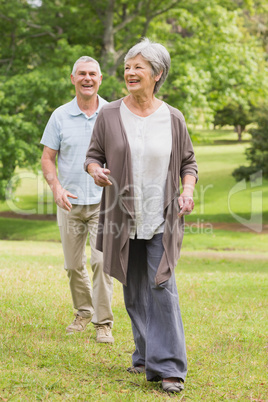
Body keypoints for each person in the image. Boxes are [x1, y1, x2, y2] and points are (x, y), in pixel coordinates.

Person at [84, 38, 198, 392]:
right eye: (128, 67)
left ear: (157, 73)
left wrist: (188, 191)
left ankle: (171, 369)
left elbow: (189, 163)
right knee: (134, 291)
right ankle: (145, 355)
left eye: (139, 67)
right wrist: (94, 171)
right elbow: (93, 155)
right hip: (123, 218)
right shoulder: (109, 114)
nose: (130, 73)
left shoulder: (173, 118)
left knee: (162, 286)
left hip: (161, 216)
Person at [40, 56, 114, 343]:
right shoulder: (60, 115)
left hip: (103, 203)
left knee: (101, 262)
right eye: (81, 74)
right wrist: (55, 187)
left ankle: (103, 323)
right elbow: (48, 158)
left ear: (100, 79)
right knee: (73, 265)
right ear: (73, 79)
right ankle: (84, 312)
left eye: (92, 74)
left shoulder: (112, 113)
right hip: (69, 203)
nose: (87, 78)